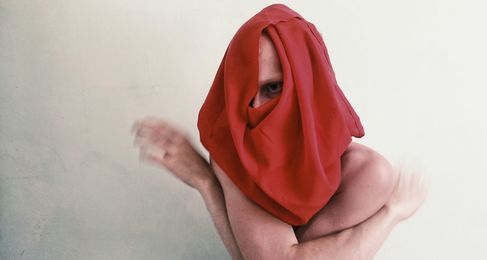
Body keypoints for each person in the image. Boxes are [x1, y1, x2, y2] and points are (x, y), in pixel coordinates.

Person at [131, 4, 427, 260]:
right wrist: (206, 182)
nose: (255, 108)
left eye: (273, 88)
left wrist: (391, 213)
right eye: (247, 92)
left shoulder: (366, 172)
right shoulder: (237, 145)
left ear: (310, 86)